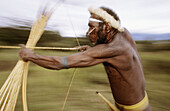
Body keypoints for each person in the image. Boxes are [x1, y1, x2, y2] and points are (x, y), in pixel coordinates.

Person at [19, 6, 152, 111]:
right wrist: (93, 49)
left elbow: (59, 63)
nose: (87, 32)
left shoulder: (113, 49)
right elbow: (106, 49)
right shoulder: (123, 34)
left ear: (106, 27)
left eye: (91, 27)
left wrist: (30, 56)